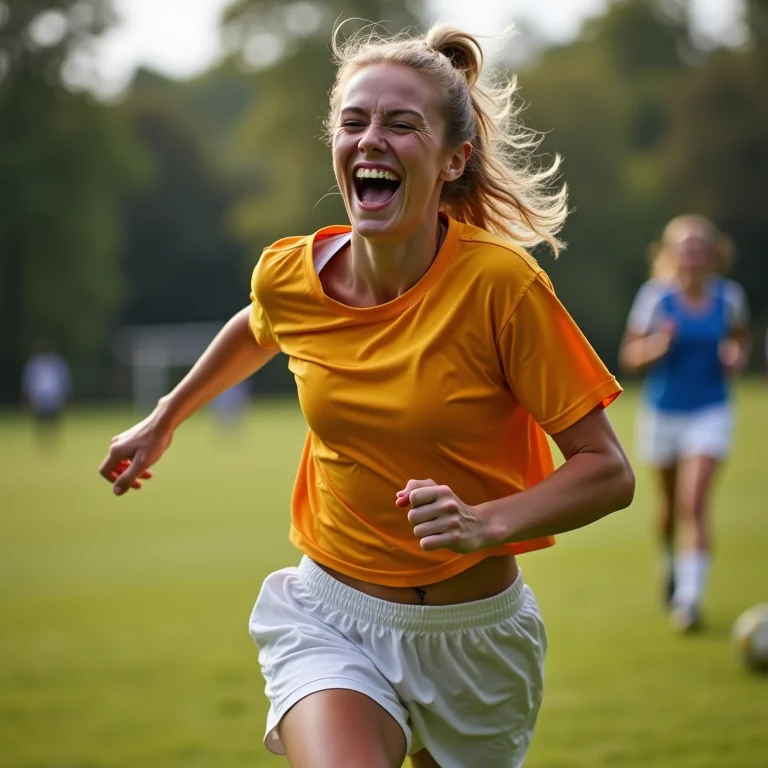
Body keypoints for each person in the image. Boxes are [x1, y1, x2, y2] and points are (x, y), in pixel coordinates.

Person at [99, 24, 634, 768]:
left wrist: (485, 522)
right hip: (333, 616)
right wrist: (166, 418)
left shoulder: (500, 289)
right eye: (354, 121)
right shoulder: (290, 275)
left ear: (455, 160)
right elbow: (260, 327)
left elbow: (608, 470)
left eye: (400, 123)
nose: (370, 138)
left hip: (477, 637)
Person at [620, 215, 750, 633]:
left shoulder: (729, 298)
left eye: (699, 248)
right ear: (672, 255)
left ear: (712, 254)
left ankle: (689, 602)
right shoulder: (656, 299)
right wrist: (660, 344)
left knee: (694, 503)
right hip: (663, 413)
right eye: (684, 248)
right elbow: (630, 357)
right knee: (669, 511)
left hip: (710, 410)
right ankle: (671, 562)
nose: (692, 256)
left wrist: (734, 355)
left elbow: (739, 337)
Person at [21, 337, 72, 448]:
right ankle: (42, 441)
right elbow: (29, 382)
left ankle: (53, 441)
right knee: (40, 421)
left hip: (54, 396)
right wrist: (30, 398)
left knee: (54, 420)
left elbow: (63, 381)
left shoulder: (58, 363)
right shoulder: (34, 364)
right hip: (40, 397)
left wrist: (63, 397)